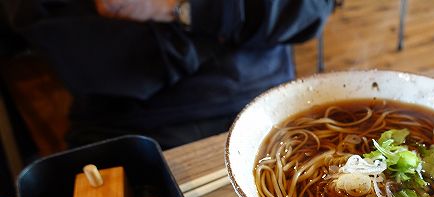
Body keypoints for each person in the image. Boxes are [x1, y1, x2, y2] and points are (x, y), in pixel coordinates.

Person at [1, 0, 335, 149]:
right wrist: (224, 28)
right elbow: (78, 47)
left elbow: (309, 8)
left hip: (266, 101)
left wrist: (182, 9)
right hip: (131, 121)